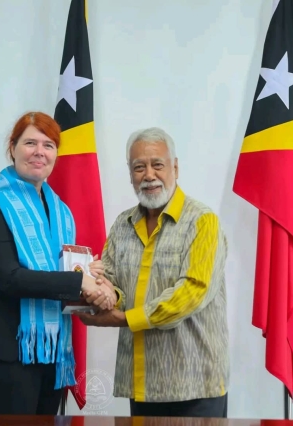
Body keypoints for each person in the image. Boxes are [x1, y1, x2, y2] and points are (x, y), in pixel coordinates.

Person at [0, 111, 115, 415]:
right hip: (0, 355)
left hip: (51, 356)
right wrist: (77, 282)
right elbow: (10, 277)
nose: (40, 152)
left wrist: (88, 276)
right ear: (13, 148)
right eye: (30, 143)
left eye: (49, 144)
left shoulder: (60, 213)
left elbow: (60, 274)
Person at [75, 127, 230, 418]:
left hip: (195, 385)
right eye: (138, 167)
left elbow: (192, 293)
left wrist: (122, 318)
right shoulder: (123, 224)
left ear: (175, 167)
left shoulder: (203, 221)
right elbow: (114, 283)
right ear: (130, 173)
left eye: (157, 164)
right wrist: (100, 288)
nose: (149, 175)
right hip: (141, 384)